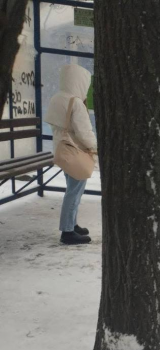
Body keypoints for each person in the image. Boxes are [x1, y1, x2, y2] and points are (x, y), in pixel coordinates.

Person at [44, 64, 97, 246]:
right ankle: (67, 232)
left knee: (72, 190)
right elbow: (84, 132)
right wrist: (95, 147)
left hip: (63, 150)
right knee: (74, 192)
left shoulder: (57, 98)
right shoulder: (75, 102)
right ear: (81, 81)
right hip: (76, 152)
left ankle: (72, 224)